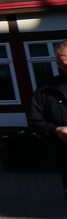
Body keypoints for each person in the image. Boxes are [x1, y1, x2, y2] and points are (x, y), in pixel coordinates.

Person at [25, 38, 67, 200]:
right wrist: (56, 131)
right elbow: (35, 120)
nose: (65, 67)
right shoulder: (46, 89)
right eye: (62, 64)